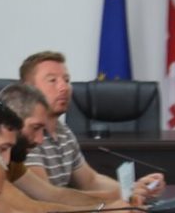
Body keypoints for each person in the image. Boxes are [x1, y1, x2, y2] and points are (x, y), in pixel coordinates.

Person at [0, 81, 142, 213]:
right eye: (35, 128)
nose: (40, 140)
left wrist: (112, 203)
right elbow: (30, 210)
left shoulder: (11, 161)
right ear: (10, 122)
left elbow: (54, 195)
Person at [19, 51, 164, 202]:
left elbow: (90, 181)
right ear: (28, 89)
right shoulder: (27, 135)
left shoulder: (63, 131)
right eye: (52, 80)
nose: (64, 87)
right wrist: (123, 195)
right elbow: (48, 197)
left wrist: (133, 188)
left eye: (66, 80)